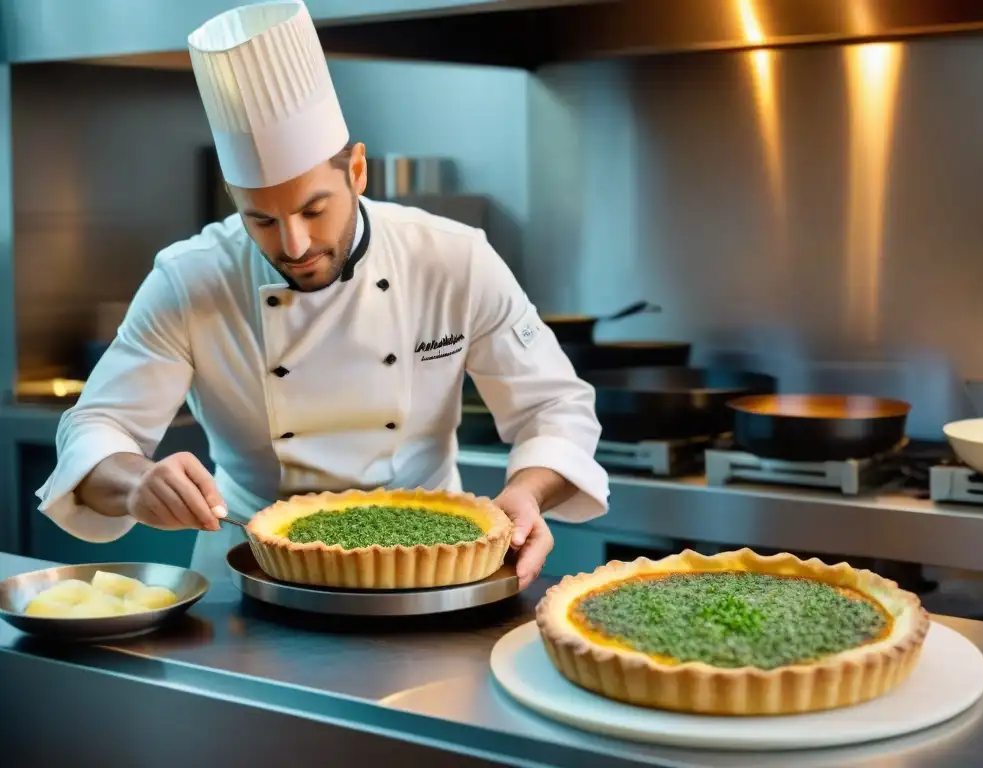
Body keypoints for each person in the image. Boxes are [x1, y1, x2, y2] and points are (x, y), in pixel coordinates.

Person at [34, 0, 609, 588]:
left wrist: (526, 492)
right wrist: (136, 484)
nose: (295, 243)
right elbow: (95, 428)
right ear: (232, 195)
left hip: (435, 573)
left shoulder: (453, 258)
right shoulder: (189, 280)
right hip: (251, 574)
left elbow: (554, 408)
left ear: (357, 171)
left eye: (314, 208)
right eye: (260, 219)